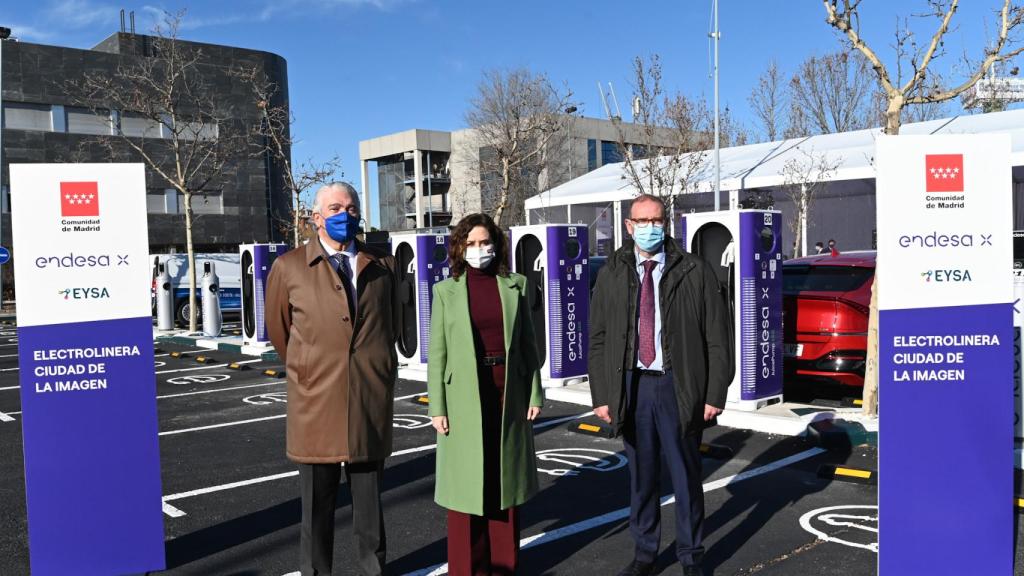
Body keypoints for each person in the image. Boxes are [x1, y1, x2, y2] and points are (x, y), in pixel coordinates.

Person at [589, 194, 733, 576]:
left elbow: (718, 337)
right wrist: (602, 395)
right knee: (642, 478)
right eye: (642, 220)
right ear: (628, 225)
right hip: (632, 388)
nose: (650, 227)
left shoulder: (694, 270)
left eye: (657, 220)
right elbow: (599, 337)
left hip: (678, 386)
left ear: (665, 223)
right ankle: (645, 554)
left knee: (686, 476)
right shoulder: (612, 272)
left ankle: (691, 555)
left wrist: (714, 393)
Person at [266, 182, 399, 576]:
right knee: (316, 510)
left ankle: (373, 570)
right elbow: (279, 331)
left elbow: (388, 328)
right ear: (316, 218)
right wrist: (310, 369)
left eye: (352, 207)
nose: (347, 214)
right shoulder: (289, 267)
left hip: (367, 402)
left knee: (370, 509)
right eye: (336, 207)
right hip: (316, 405)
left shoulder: (382, 266)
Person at [427, 213, 545, 576]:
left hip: (507, 391)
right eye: (472, 243)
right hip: (462, 395)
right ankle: (466, 570)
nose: (480, 249)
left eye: (485, 242)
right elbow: (438, 352)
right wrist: (437, 406)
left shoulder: (515, 285)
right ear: (460, 248)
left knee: (504, 484)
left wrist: (535, 394)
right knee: (465, 490)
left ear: (495, 244)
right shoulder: (445, 291)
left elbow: (528, 344)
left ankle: (504, 568)